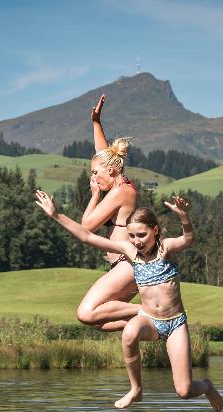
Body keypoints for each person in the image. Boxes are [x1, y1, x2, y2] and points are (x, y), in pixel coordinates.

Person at [36, 190, 223, 412]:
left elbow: (189, 239)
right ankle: (136, 389)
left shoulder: (166, 248)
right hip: (149, 320)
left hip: (175, 324)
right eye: (132, 236)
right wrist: (56, 215)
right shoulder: (130, 252)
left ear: (155, 230)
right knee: (129, 333)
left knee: (184, 391)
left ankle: (207, 386)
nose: (136, 241)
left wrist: (183, 216)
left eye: (142, 235)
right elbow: (87, 237)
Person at [74, 94, 140, 332]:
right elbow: (103, 154)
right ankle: (156, 322)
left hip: (128, 264)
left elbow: (87, 226)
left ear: (111, 171)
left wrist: (94, 195)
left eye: (94, 173)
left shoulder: (120, 192)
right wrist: (96, 122)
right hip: (121, 266)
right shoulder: (119, 181)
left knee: (85, 312)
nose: (93, 178)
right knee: (100, 322)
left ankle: (155, 310)